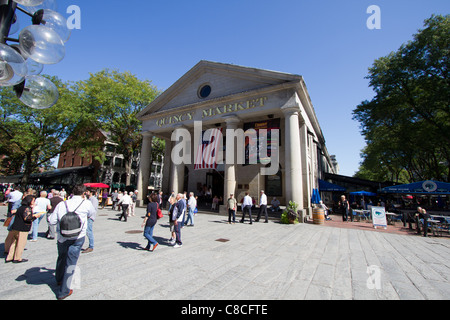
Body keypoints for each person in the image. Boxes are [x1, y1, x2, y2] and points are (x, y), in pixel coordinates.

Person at [48, 184, 96, 300]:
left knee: (61, 257)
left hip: (62, 237)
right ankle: (64, 291)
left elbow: (52, 220)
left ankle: (59, 279)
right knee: (71, 262)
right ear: (84, 193)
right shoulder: (86, 203)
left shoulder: (62, 204)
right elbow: (92, 214)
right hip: (78, 237)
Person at [5, 195, 44, 263]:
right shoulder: (27, 208)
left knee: (14, 243)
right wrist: (35, 216)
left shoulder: (21, 207)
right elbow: (28, 218)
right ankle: (17, 258)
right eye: (33, 200)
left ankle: (10, 257)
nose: (34, 202)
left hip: (16, 227)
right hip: (22, 228)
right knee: (21, 243)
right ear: (30, 201)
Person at [82, 189, 98, 253]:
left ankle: (91, 246)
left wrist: (89, 216)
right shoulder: (88, 199)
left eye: (87, 191)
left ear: (91, 193)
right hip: (86, 217)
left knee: (89, 231)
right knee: (86, 231)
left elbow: (93, 209)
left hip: (90, 217)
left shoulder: (93, 199)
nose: (86, 192)